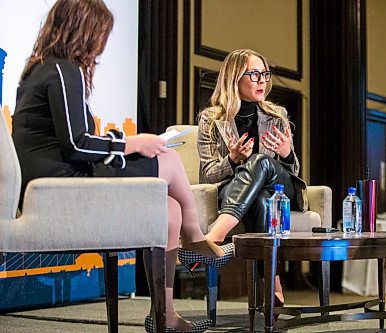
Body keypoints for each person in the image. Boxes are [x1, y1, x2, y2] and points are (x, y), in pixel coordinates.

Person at [11, 1, 231, 332]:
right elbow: (76, 144)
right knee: (168, 159)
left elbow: (70, 141)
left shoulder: (42, 69)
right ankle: (196, 236)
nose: (102, 45)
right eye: (101, 34)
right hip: (60, 185)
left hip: (54, 181)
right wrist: (132, 143)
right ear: (83, 30)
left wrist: (120, 143)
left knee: (168, 209)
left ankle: (165, 315)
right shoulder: (62, 69)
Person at [194, 49, 309, 312]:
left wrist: (287, 153)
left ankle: (214, 238)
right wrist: (232, 161)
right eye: (254, 74)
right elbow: (208, 174)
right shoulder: (211, 120)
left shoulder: (277, 115)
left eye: (265, 74)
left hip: (280, 187)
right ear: (234, 78)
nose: (262, 81)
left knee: (260, 162)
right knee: (260, 202)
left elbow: (294, 169)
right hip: (240, 192)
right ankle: (274, 288)